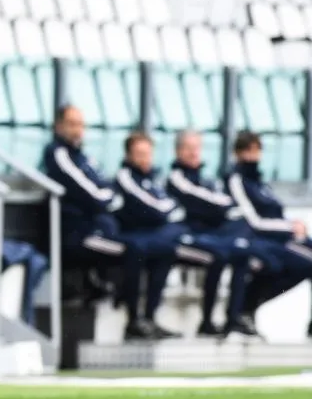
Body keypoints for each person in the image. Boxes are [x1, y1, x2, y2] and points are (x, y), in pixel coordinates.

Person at [43, 107, 175, 339]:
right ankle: (133, 319)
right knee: (135, 248)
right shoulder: (59, 154)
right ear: (58, 126)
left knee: (165, 249)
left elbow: (105, 189)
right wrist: (106, 198)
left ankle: (149, 316)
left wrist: (106, 197)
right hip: (79, 234)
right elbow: (94, 195)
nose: (78, 130)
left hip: (101, 228)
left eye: (81, 124)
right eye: (72, 124)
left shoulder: (85, 158)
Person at [115, 131, 250, 339]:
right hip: (141, 235)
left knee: (238, 251)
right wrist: (173, 211)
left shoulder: (158, 180)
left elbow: (174, 207)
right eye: (140, 154)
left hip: (166, 234)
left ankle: (227, 318)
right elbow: (160, 208)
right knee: (148, 250)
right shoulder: (134, 177)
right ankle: (136, 320)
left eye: (148, 154)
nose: (145, 159)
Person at [165, 130, 278, 337]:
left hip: (211, 235)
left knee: (242, 254)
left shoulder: (206, 179)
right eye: (189, 148)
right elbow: (216, 203)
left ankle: (233, 318)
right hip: (188, 235)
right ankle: (206, 321)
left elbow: (223, 205)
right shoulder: (177, 178)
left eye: (197, 148)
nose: (194, 153)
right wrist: (224, 207)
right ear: (178, 151)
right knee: (220, 255)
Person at [225, 131, 312, 335]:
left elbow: (276, 213)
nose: (253, 156)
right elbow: (254, 221)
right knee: (287, 265)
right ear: (238, 153)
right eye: (248, 150)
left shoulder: (261, 184)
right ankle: (246, 306)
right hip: (259, 240)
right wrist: (289, 227)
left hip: (280, 238)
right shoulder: (237, 180)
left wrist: (292, 227)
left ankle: (249, 306)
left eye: (256, 150)